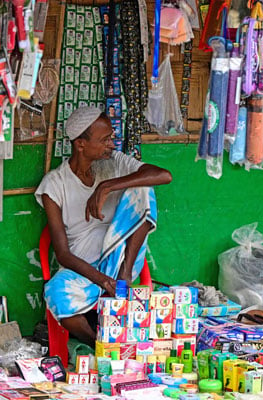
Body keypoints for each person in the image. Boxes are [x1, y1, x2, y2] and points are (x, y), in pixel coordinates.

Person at [35, 106, 172, 344]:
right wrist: (102, 280)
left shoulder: (113, 164)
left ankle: (126, 275)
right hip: (86, 271)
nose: (112, 144)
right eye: (105, 139)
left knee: (143, 186)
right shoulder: (54, 185)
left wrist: (107, 186)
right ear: (81, 144)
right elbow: (64, 255)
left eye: (111, 137)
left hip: (122, 263)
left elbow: (163, 175)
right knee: (57, 294)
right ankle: (102, 345)